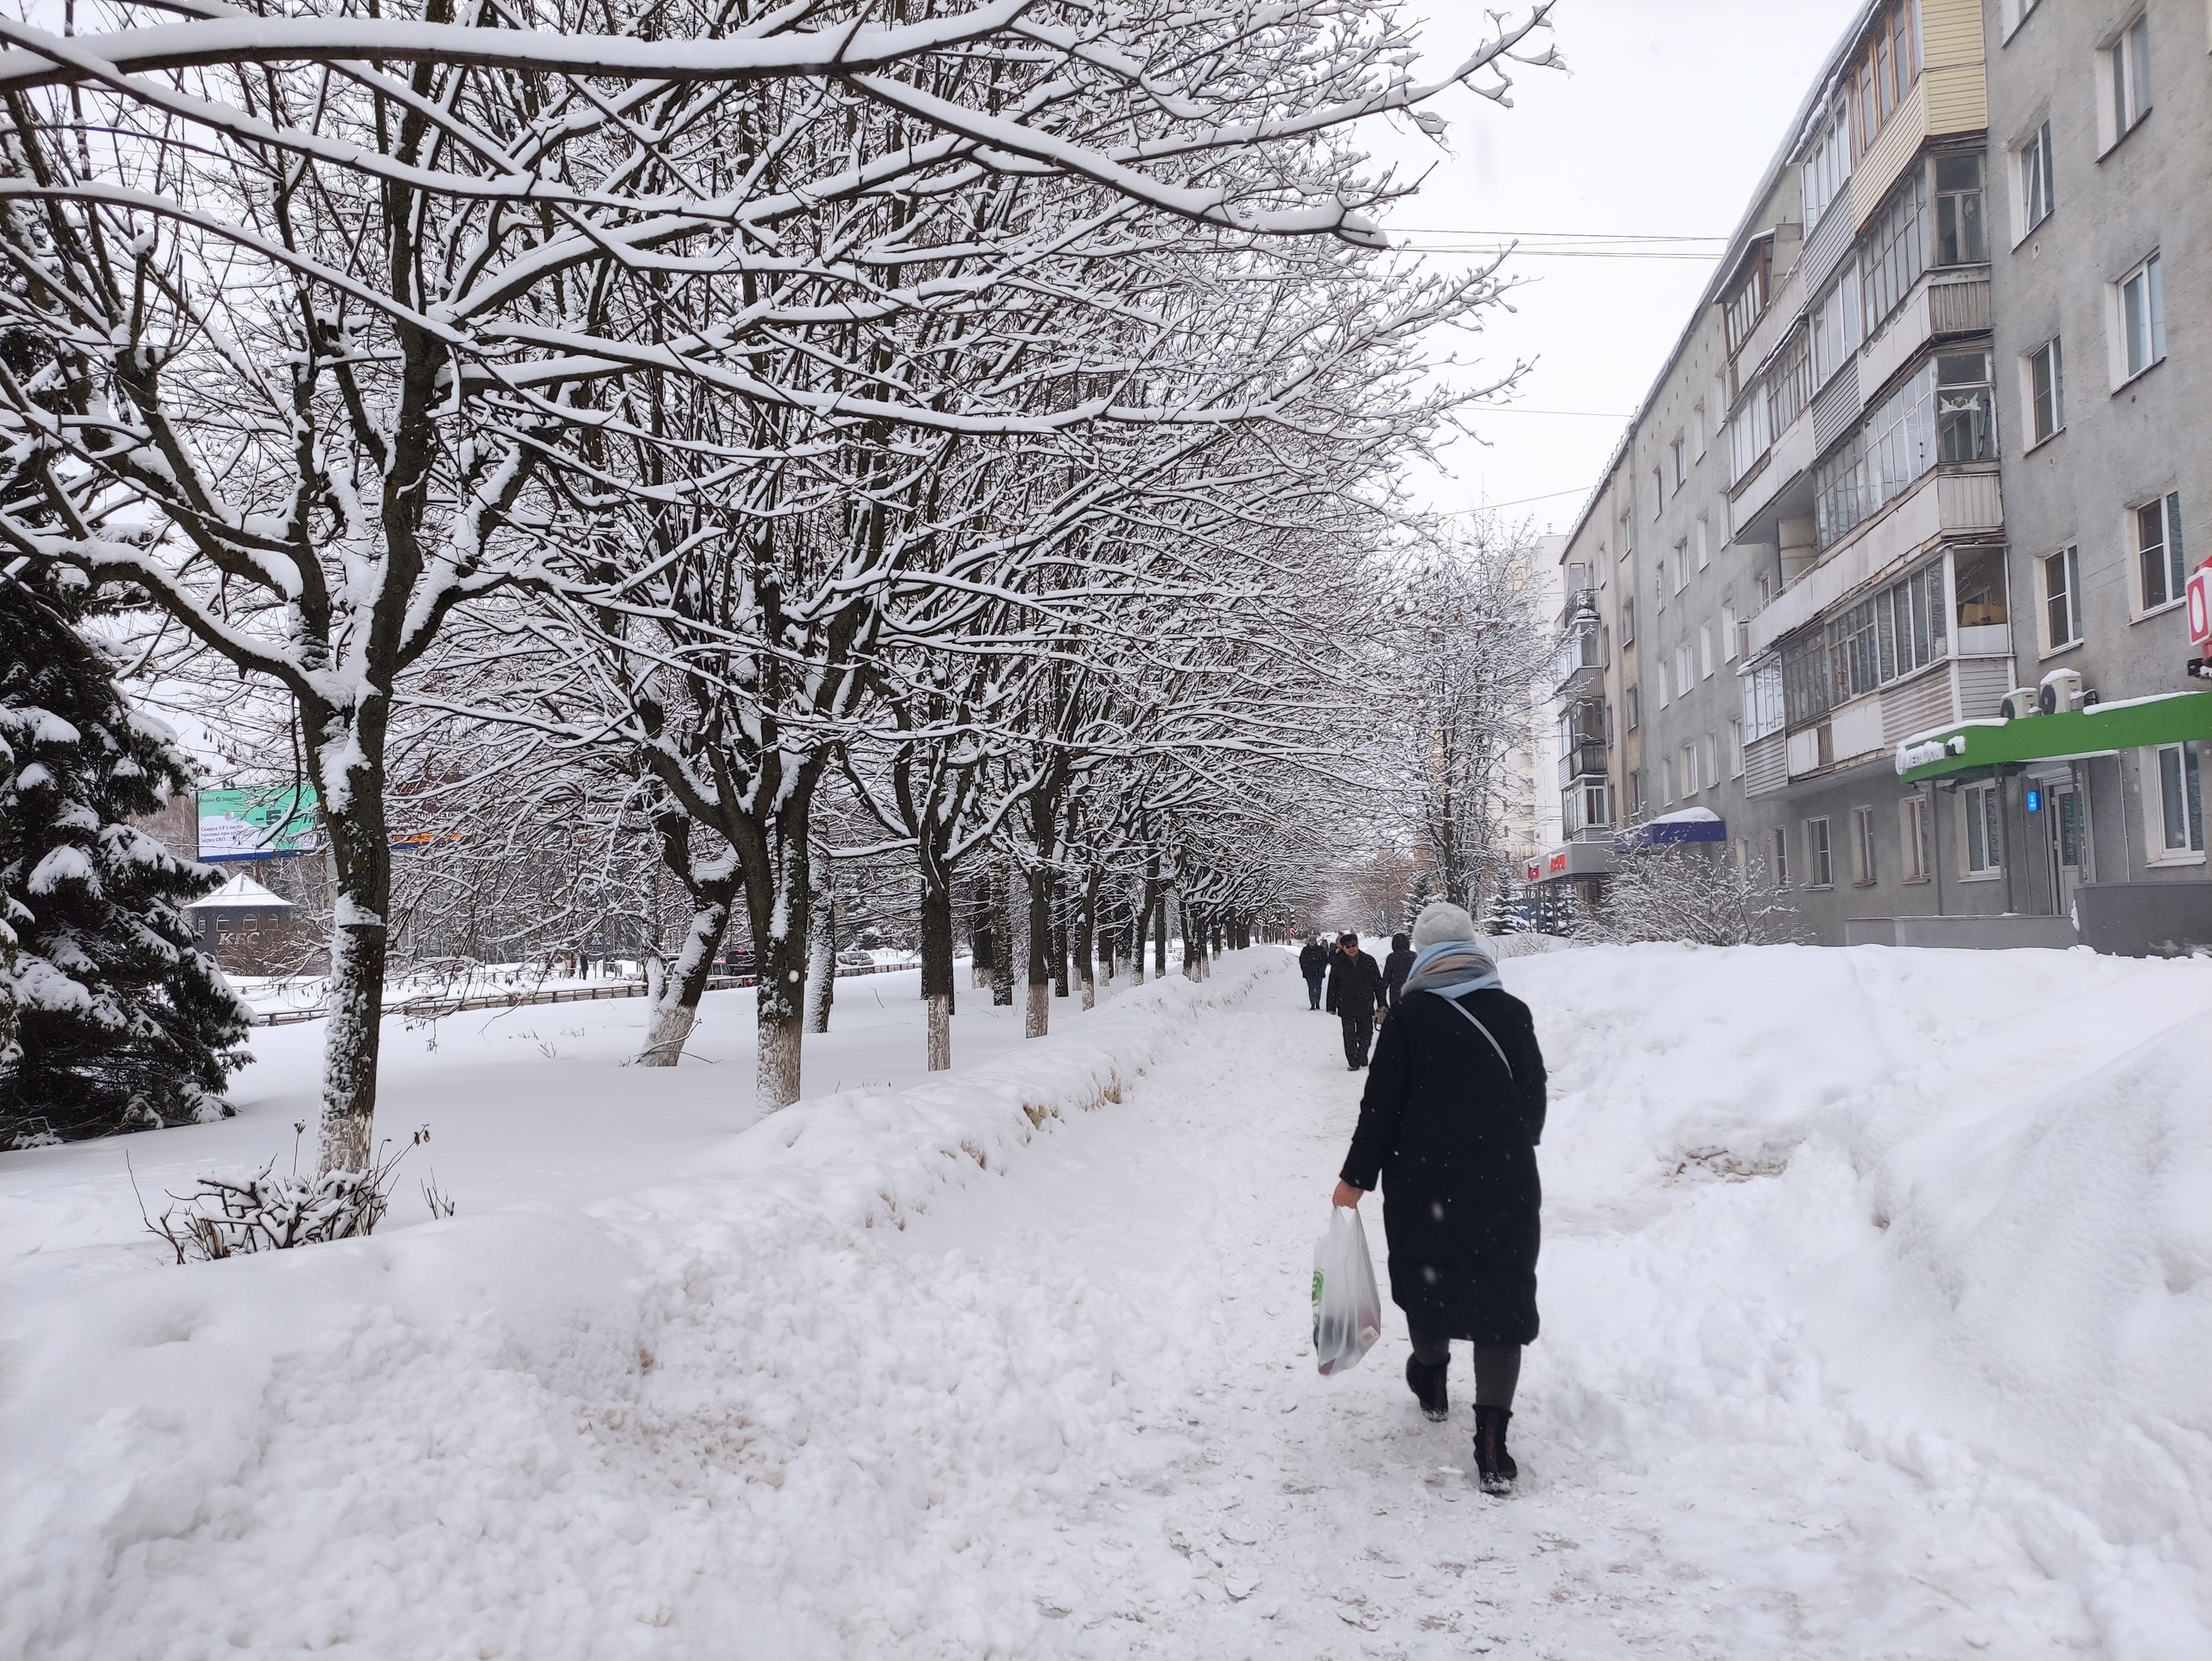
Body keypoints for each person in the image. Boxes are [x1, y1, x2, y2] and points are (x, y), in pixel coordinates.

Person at [1330, 901, 1547, 1495]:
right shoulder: (1512, 1012)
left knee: (1430, 1282)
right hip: (1503, 1180)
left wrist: (1354, 1178)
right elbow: (1534, 1108)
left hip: (1421, 1180)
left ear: (1424, 954)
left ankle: (1430, 1378)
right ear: (1473, 948)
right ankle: (1494, 1445)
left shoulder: (1408, 1017)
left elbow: (1380, 1110)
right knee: (1501, 1295)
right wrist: (1496, 1145)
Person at [1325, 932, 1387, 1071]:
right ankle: (1353, 1061)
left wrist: (1382, 1002)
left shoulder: (1369, 961)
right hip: (1346, 1004)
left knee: (1367, 1032)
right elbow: (1333, 985)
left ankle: (1362, 1054)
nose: (1351, 948)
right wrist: (1331, 1005)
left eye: (1354, 945)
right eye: (1348, 946)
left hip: (1365, 1003)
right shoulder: (1338, 963)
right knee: (1349, 1034)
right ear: (1343, 948)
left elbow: (1378, 983)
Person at [1381, 931, 1414, 1014]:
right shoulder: (1414, 956)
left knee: (1398, 1019)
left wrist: (1382, 1001)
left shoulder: (1391, 958)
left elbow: (1385, 980)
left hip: (1396, 995)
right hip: (1411, 993)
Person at [1298, 936, 1330, 1010]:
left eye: (1313, 940)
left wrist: (1322, 969)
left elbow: (1325, 961)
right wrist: (1304, 969)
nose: (1312, 942)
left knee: (1318, 987)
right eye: (1310, 940)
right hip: (1309, 972)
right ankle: (1312, 1004)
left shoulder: (1321, 950)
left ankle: (1317, 1003)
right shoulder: (1305, 950)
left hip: (1319, 972)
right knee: (1311, 988)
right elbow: (1302, 961)